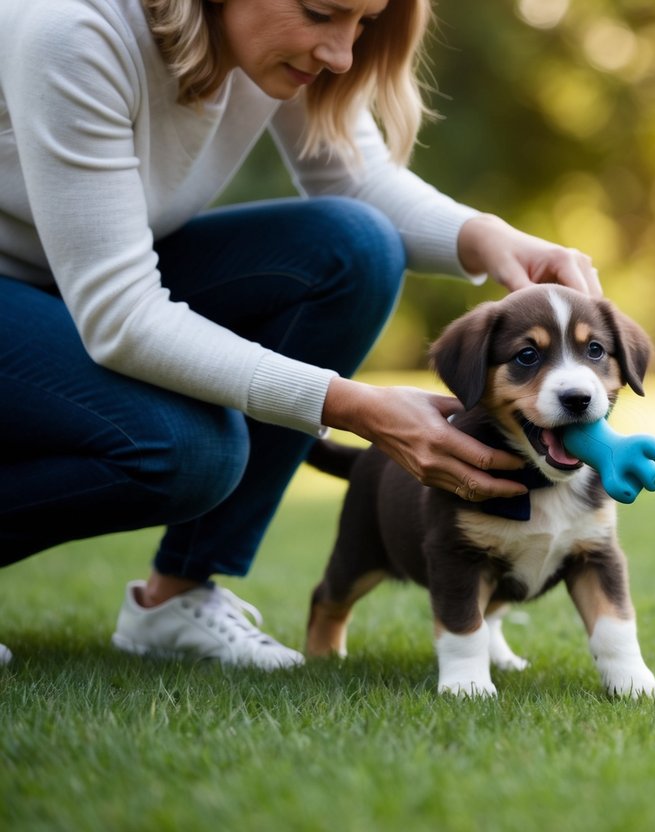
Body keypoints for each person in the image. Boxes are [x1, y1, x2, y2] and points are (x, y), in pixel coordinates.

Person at [0, 0, 603, 669]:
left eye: (364, 24)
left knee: (355, 248)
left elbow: (356, 181)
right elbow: (121, 316)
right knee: (188, 448)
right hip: (36, 286)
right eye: (321, 12)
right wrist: (351, 406)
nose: (342, 54)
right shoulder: (73, 29)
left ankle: (174, 599)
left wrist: (489, 238)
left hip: (79, 274)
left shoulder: (263, 47)